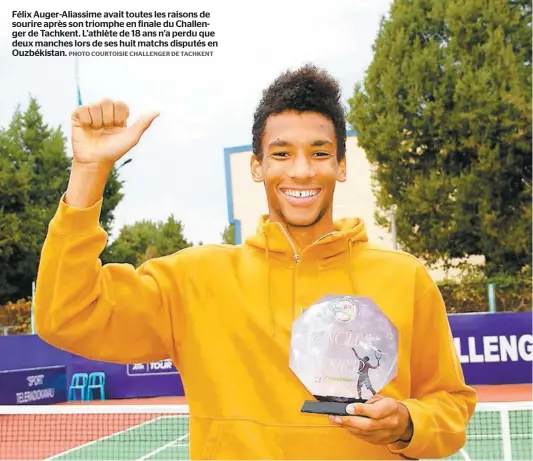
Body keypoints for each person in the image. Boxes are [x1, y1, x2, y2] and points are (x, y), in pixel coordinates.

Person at [35, 64, 477, 460]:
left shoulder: (404, 277)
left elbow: (450, 405)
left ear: (341, 165)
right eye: (281, 153)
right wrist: (89, 172)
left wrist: (407, 423)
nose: (301, 170)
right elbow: (67, 315)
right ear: (257, 166)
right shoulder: (195, 279)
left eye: (320, 153)